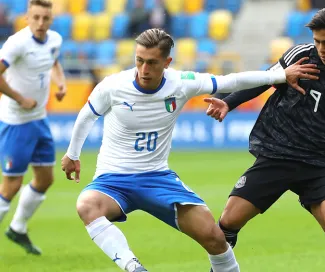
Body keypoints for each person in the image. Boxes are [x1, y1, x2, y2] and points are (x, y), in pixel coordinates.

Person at [61, 28, 309, 272]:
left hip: (157, 178)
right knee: (86, 205)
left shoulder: (181, 83)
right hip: (113, 180)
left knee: (216, 239)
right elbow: (87, 115)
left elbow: (230, 80)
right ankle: (133, 267)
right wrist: (73, 154)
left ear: (167, 62)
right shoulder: (113, 86)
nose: (144, 69)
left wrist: (278, 76)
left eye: (151, 62)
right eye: (139, 61)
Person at [205, 6, 325, 272]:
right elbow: (265, 80)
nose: (320, 49)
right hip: (277, 153)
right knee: (227, 222)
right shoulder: (301, 55)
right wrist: (228, 103)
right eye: (317, 41)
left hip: (321, 164)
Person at [0, 0, 66, 255]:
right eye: (36, 17)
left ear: (51, 20)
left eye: (45, 18)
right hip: (16, 122)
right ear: (27, 18)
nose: (40, 23)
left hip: (39, 119)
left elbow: (53, 62)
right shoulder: (17, 43)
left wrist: (61, 84)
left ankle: (17, 228)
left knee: (45, 178)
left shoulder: (55, 40)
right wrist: (19, 98)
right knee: (12, 184)